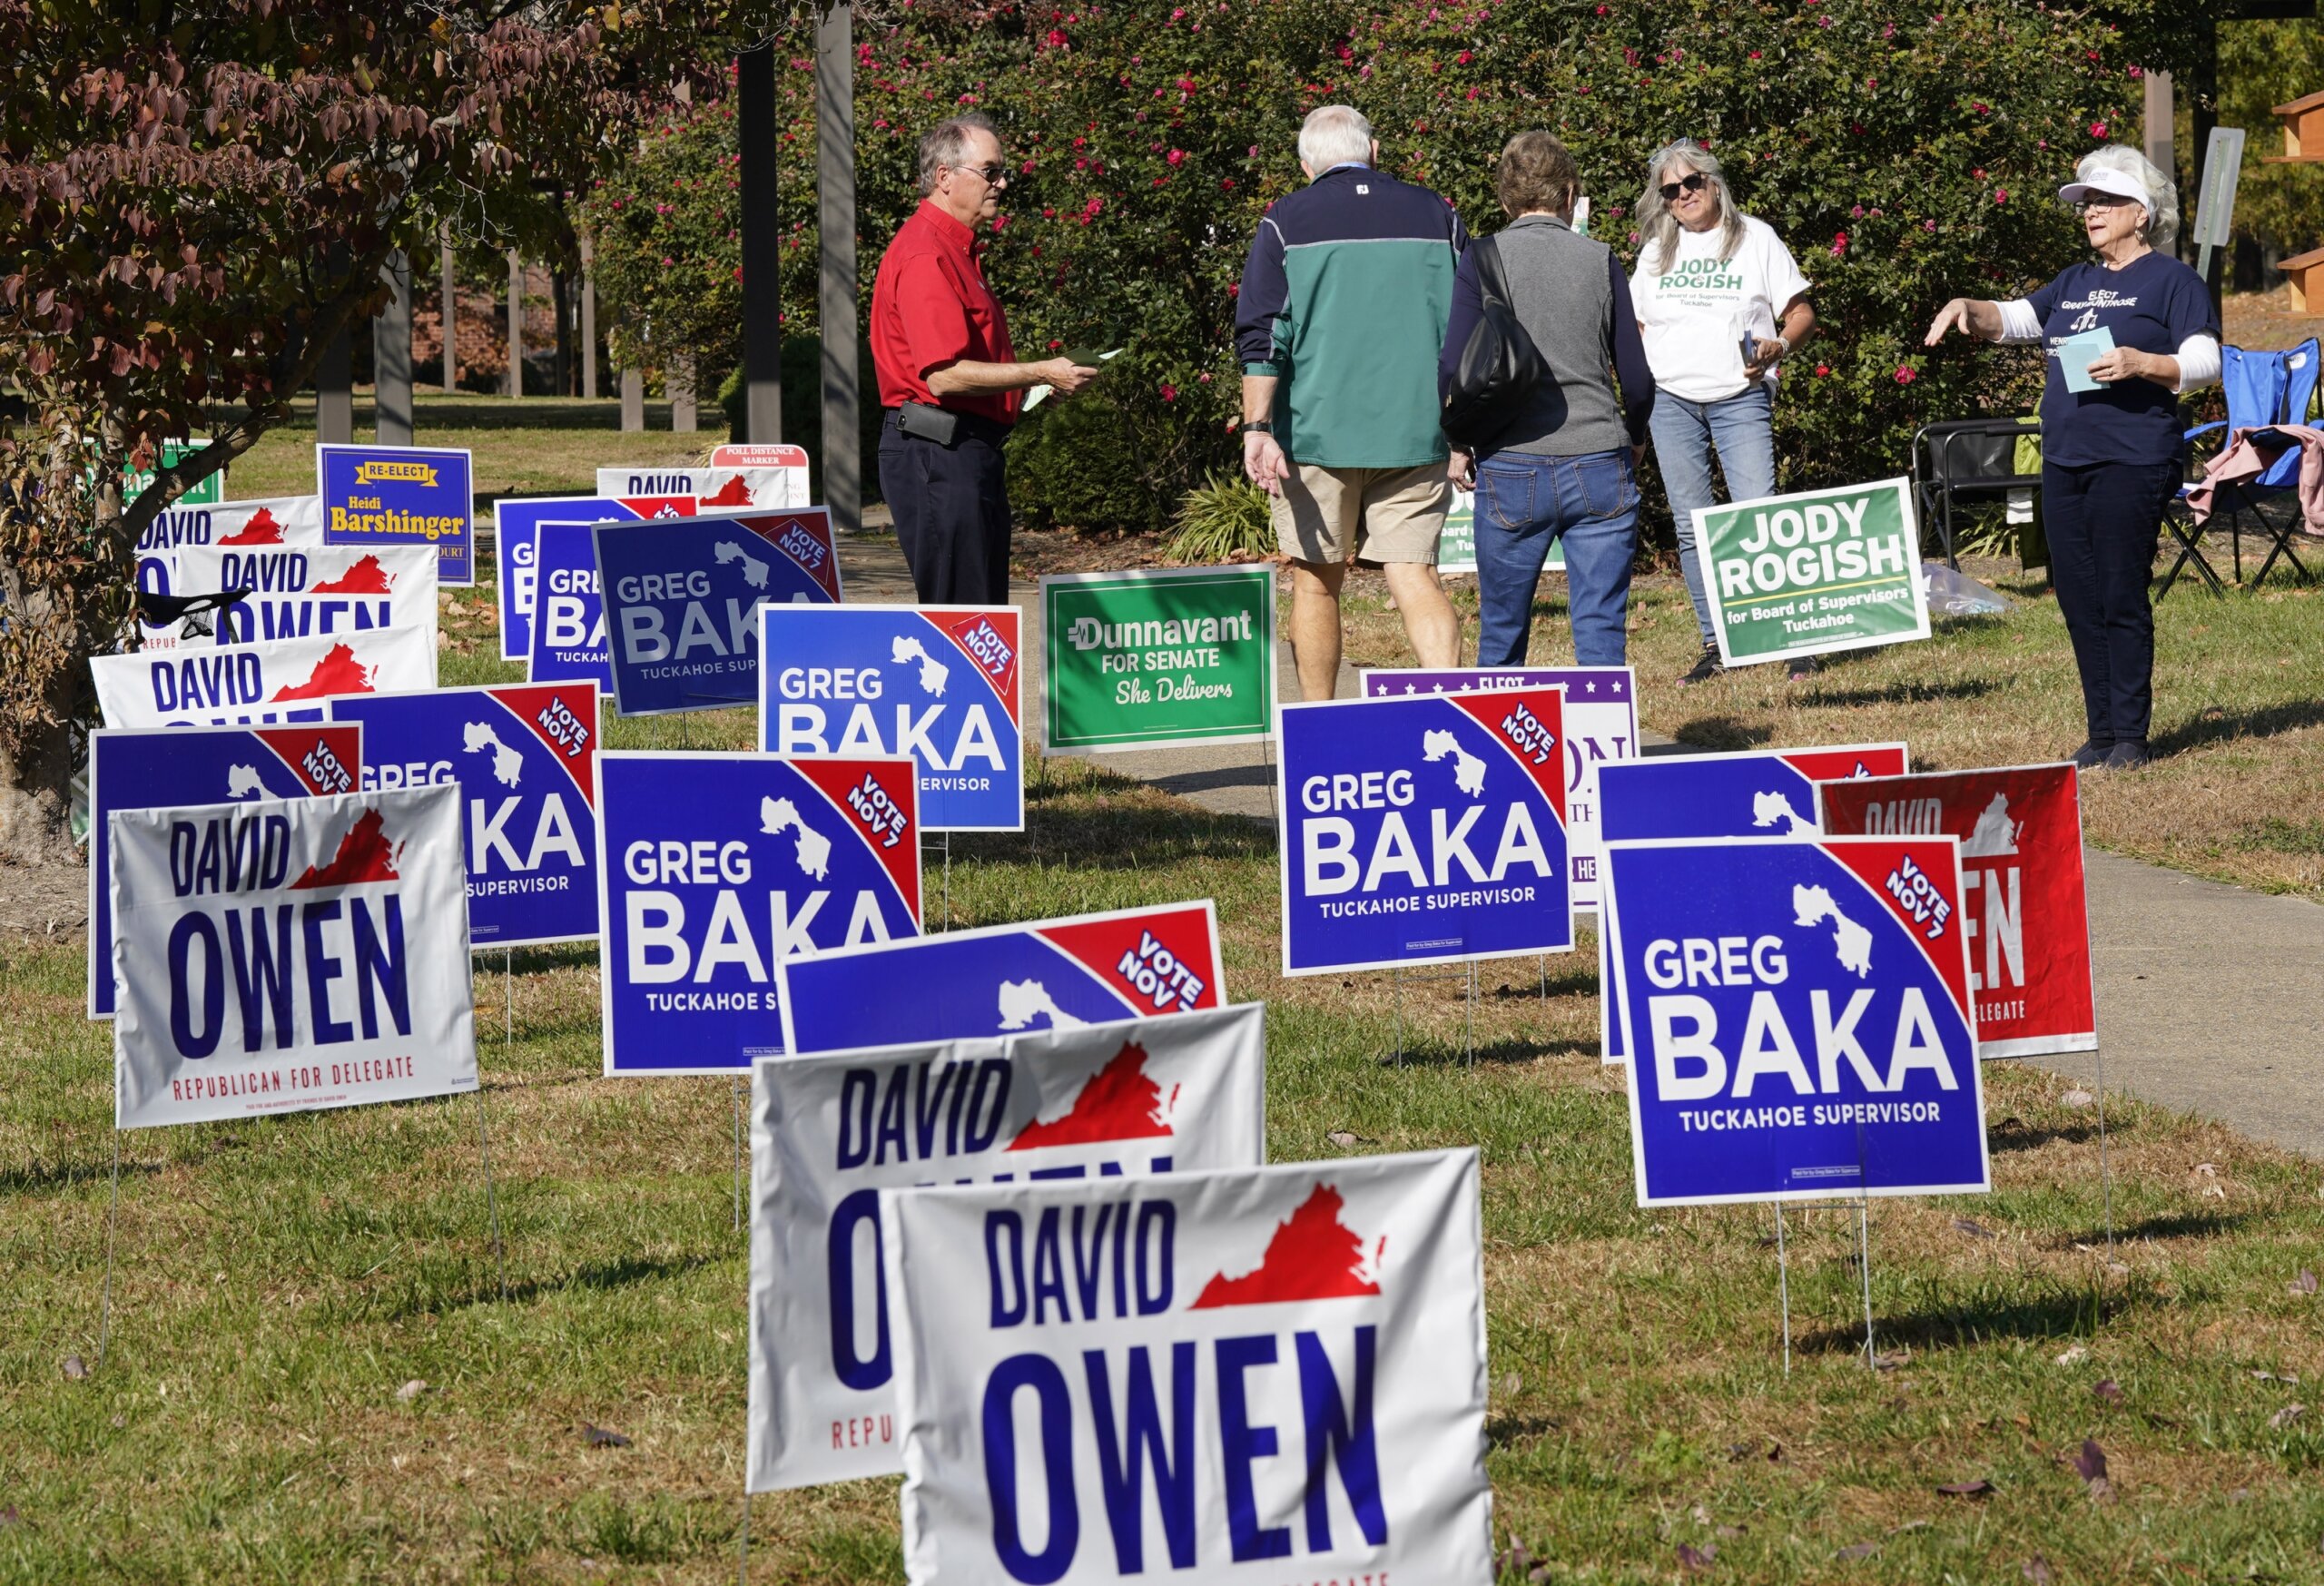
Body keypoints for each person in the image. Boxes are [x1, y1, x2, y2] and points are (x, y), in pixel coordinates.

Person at [1925, 144, 2220, 772]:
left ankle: (2131, 737)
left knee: (2119, 593)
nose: (2092, 211)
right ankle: (2101, 733)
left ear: (2142, 213)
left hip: (2132, 458)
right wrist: (1967, 308)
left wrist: (2143, 363)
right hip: (2065, 459)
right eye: (2088, 202)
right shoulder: (2073, 281)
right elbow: (2013, 320)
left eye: (2107, 201)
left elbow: (2206, 361)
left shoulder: (2173, 281)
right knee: (2078, 599)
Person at [1236, 104, 1464, 699]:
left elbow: (1264, 334)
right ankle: (1457, 716)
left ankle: (1318, 724)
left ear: (1306, 165)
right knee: (1418, 576)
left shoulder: (1285, 220)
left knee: (1316, 583)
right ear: (1374, 151)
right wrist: (1465, 428)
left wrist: (1257, 425)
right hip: (1420, 429)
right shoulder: (1437, 213)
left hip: (1317, 434)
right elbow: (1469, 324)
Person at [1439, 132, 1656, 666]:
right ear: (1570, 195)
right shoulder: (1600, 258)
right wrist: (1634, 436)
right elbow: (1636, 377)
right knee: (1601, 630)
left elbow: (1452, 368)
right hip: (1599, 459)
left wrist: (1459, 442)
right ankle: (1603, 724)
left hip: (1512, 463)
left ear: (1504, 199)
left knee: (1502, 631)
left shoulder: (1481, 258)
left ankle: (1499, 723)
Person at [869, 113, 1097, 604]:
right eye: (990, 171)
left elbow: (965, 366)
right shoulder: (926, 255)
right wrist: (1042, 369)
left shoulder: (955, 250)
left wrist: (1031, 388)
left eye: (1002, 171)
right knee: (962, 618)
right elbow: (944, 377)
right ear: (944, 177)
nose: (1002, 183)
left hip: (961, 451)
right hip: (938, 451)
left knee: (981, 614)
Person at [1630, 138, 1817, 684]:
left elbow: (1801, 313)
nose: (1683, 195)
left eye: (1691, 182)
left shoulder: (1756, 238)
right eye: (1671, 190)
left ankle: (1794, 639)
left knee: (1761, 517)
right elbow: (1637, 325)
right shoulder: (1656, 251)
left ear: (1713, 183)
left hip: (1741, 393)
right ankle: (1717, 643)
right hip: (1670, 400)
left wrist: (1779, 346)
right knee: (1692, 527)